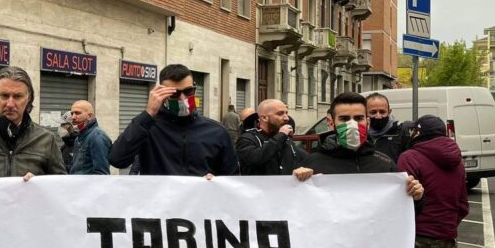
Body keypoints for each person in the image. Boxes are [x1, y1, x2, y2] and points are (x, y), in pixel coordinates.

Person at [109, 64, 238, 177]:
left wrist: (217, 180)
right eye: (174, 94)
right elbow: (117, 159)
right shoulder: (148, 128)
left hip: (200, 203)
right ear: (162, 95)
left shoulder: (217, 132)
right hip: (159, 204)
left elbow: (232, 178)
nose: (182, 99)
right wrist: (148, 114)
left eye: (188, 91)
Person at [398, 115, 469, 248]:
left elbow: (401, 201)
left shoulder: (410, 157)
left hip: (418, 237)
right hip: (447, 237)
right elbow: (463, 205)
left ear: (419, 132)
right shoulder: (457, 161)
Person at [303, 92, 424, 200]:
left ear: (367, 122)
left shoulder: (385, 164)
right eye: (344, 119)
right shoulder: (312, 164)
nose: (352, 124)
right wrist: (298, 183)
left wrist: (415, 197)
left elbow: (401, 208)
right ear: (331, 123)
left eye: (358, 118)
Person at [236, 99, 312, 179]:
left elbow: (307, 159)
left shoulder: (286, 139)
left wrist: (304, 169)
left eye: (286, 113)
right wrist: (281, 135)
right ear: (264, 118)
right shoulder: (247, 139)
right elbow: (256, 159)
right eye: (280, 114)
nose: (287, 118)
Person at [68, 100, 111, 175]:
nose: (73, 117)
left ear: (89, 116)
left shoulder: (97, 136)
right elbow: (75, 168)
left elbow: (101, 173)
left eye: (77, 113)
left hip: (88, 186)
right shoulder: (78, 138)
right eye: (72, 113)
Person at [366, 92, 406, 162]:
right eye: (373, 112)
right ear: (365, 113)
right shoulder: (359, 134)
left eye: (382, 112)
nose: (378, 116)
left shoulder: (401, 134)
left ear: (389, 112)